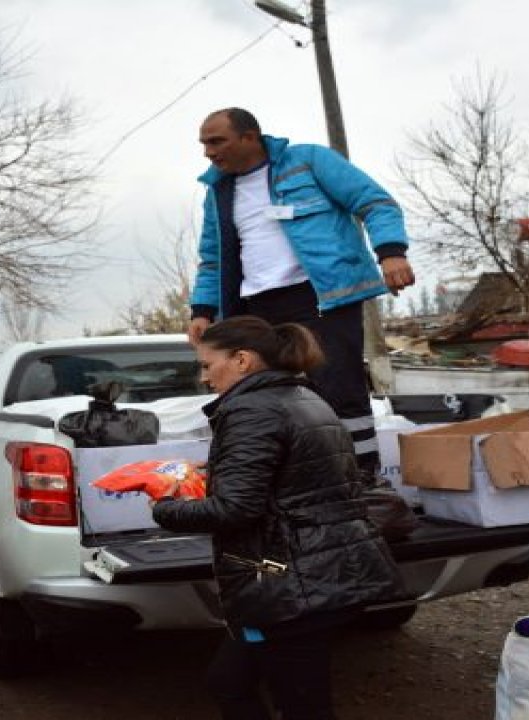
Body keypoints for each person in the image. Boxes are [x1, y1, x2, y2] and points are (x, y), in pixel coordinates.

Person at [153, 315, 404, 720]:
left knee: (299, 704)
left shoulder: (251, 409)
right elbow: (298, 478)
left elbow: (236, 509)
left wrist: (164, 508)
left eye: (206, 365)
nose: (203, 378)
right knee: (230, 682)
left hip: (292, 584)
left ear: (241, 360)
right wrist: (219, 472)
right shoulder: (304, 397)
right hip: (315, 574)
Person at [188, 107, 415, 484]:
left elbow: (374, 202)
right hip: (257, 306)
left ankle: (361, 479)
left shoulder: (308, 161)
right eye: (204, 144)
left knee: (338, 388)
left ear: (249, 137)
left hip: (321, 298)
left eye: (216, 141)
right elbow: (212, 258)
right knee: (261, 396)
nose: (209, 152)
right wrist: (202, 309)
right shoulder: (217, 192)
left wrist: (391, 252)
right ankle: (282, 479)